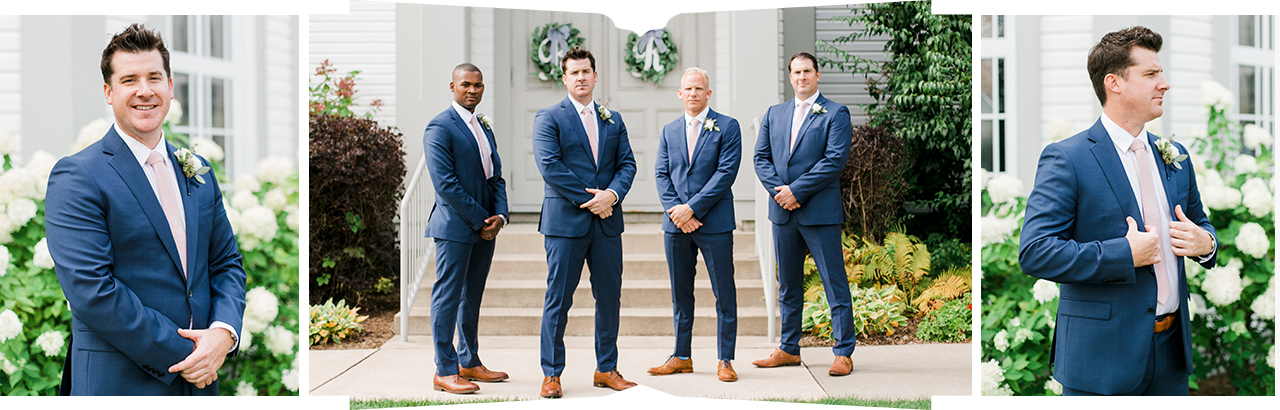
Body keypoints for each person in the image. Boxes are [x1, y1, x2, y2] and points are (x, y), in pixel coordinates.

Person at [45, 23, 246, 396]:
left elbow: (226, 263)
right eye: (129, 80)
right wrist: (191, 354)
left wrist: (223, 334)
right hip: (118, 383)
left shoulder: (197, 170)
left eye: (154, 77)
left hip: (200, 386)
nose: (144, 90)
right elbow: (92, 291)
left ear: (170, 86)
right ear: (108, 92)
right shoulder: (78, 175)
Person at [1019, 26, 1217, 396]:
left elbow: (1200, 223)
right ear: (1114, 83)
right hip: (1100, 362)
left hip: (1172, 354)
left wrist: (1205, 242)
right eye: (1151, 74)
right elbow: (1035, 252)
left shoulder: (1175, 156)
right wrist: (1123, 254)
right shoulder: (1068, 159)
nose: (1165, 84)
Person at [531, 46, 637, 398]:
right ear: (565, 78)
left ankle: (606, 368)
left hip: (607, 225)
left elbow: (627, 165)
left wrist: (613, 195)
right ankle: (552, 373)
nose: (580, 77)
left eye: (585, 72)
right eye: (573, 72)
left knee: (609, 299)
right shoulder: (549, 118)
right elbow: (551, 167)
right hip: (565, 225)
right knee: (558, 300)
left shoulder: (613, 119)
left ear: (595, 76)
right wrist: (594, 200)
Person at [752, 52, 856, 376]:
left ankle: (843, 352)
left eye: (807, 71)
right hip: (783, 212)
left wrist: (796, 190)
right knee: (788, 285)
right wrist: (780, 192)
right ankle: (788, 348)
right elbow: (761, 158)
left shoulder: (836, 113)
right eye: (796, 72)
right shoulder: (774, 113)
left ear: (817, 75)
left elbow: (833, 161)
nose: (801, 77)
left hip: (819, 212)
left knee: (833, 282)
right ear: (790, 76)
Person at [648, 67, 742, 382]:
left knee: (724, 293)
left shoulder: (728, 127)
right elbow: (661, 174)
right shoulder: (669, 130)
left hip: (714, 222)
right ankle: (681, 355)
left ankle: (725, 359)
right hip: (676, 226)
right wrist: (678, 211)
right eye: (687, 89)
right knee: (681, 293)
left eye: (699, 89)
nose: (693, 94)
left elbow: (725, 174)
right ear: (679, 93)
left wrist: (693, 208)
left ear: (708, 94)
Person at [421, 63, 510, 395]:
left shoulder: (483, 127)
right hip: (455, 228)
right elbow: (446, 184)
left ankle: (468, 361)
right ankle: (444, 370)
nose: (473, 90)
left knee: (471, 297)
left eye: (478, 85)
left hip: (486, 227)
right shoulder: (439, 127)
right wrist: (481, 218)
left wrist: (499, 215)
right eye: (466, 85)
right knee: (447, 297)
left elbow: (495, 176)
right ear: (452, 86)